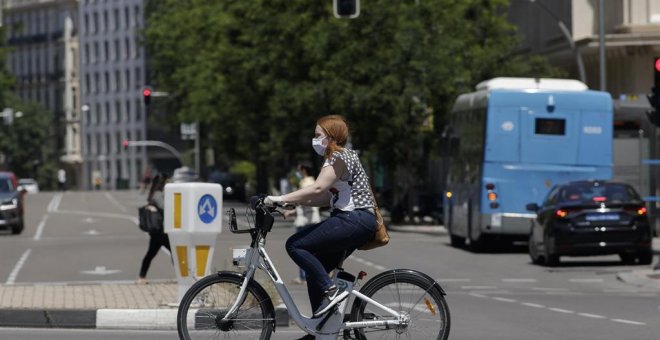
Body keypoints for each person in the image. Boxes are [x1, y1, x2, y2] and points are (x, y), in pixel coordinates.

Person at [265, 115, 377, 332]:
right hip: (357, 220)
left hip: (355, 218)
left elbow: (317, 188)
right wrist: (293, 204)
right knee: (316, 271)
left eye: (318, 135)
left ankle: (331, 290)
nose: (314, 139)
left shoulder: (338, 157)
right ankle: (320, 330)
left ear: (331, 136)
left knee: (295, 245)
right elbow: (325, 198)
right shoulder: (341, 157)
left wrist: (280, 198)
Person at [285, 162, 322, 285]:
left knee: (298, 248)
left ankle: (303, 276)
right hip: (312, 218)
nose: (298, 173)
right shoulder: (314, 181)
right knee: (312, 249)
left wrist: (292, 207)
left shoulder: (305, 183)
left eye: (299, 170)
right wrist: (294, 212)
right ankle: (313, 274)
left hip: (305, 220)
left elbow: (303, 200)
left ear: (304, 170)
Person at [137, 173, 172, 284]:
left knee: (151, 254)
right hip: (160, 231)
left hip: (159, 231)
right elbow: (165, 207)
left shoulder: (157, 193)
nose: (170, 184)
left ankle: (141, 277)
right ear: (163, 183)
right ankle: (184, 276)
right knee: (175, 253)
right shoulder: (157, 194)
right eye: (168, 182)